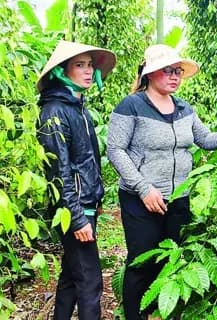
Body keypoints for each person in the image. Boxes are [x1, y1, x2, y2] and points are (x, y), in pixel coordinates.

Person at [106, 44, 217, 320]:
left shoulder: (183, 108)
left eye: (178, 71)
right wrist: (144, 189)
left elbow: (204, 139)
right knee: (141, 263)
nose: (174, 76)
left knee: (172, 260)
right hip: (140, 200)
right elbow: (115, 150)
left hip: (179, 198)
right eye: (167, 71)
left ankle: (164, 311)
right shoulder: (131, 106)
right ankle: (134, 315)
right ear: (150, 73)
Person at [36, 40, 116, 319]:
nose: (87, 70)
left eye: (89, 65)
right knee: (90, 280)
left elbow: (87, 161)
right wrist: (78, 216)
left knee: (72, 276)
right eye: (79, 65)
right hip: (73, 209)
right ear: (62, 71)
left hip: (84, 204)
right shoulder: (55, 111)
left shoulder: (78, 108)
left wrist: (96, 198)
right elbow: (59, 172)